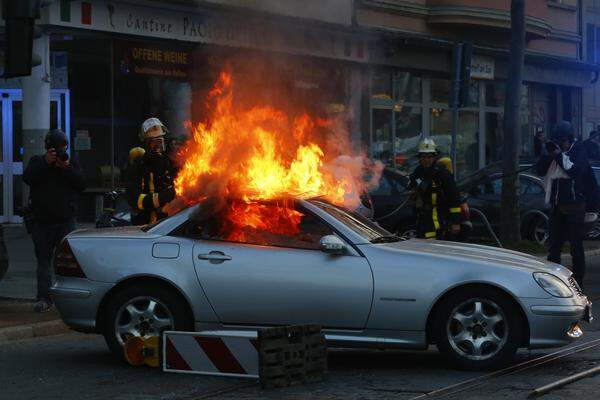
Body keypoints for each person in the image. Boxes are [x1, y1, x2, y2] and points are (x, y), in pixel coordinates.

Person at [23, 129, 86, 313]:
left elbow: (81, 184)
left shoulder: (70, 162)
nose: (59, 153)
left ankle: (68, 299)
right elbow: (28, 178)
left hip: (65, 220)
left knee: (68, 262)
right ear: (47, 149)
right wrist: (45, 163)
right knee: (43, 261)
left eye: (62, 148)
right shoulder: (37, 162)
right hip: (42, 222)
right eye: (55, 150)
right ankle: (44, 298)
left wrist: (66, 168)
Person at [537, 121, 591, 288]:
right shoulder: (556, 152)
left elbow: (575, 171)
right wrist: (548, 153)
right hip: (557, 205)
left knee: (576, 246)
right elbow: (540, 170)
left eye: (564, 141)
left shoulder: (578, 150)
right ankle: (553, 282)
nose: (562, 144)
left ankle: (578, 282)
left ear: (569, 138)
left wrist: (559, 155)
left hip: (575, 206)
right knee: (554, 246)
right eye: (559, 141)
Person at [409, 138, 463, 240]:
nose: (426, 160)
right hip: (422, 218)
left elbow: (454, 199)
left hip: (439, 216)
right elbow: (413, 187)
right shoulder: (417, 172)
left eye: (429, 157)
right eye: (423, 157)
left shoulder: (442, 174)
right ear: (419, 158)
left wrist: (456, 222)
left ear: (434, 157)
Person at [126, 117, 176, 225]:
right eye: (154, 144)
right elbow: (136, 201)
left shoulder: (170, 163)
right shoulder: (138, 166)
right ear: (146, 144)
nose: (158, 147)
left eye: (160, 143)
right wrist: (162, 197)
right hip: (145, 226)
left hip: (169, 225)